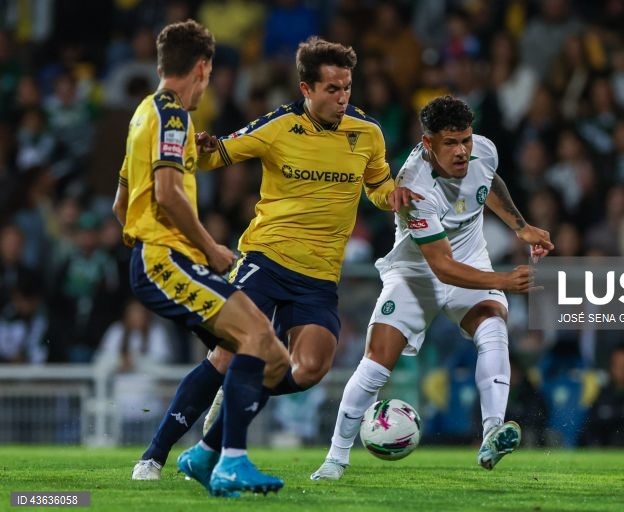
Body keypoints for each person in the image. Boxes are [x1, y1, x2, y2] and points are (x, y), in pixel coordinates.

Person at [133, 36, 419, 485]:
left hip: (319, 277)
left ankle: (209, 446)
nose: (343, 97)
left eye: (347, 87)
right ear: (306, 89)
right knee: (228, 357)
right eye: (332, 89)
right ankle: (154, 456)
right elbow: (219, 154)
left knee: (308, 369)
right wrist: (203, 148)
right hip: (265, 260)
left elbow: (378, 186)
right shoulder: (278, 126)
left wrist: (394, 197)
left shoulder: (367, 133)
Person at [311, 96, 554, 481]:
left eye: (465, 140)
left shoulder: (483, 150)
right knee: (376, 363)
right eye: (450, 143)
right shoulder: (414, 187)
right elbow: (441, 267)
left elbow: (488, 182)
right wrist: (503, 281)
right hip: (415, 273)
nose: (461, 151)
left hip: (470, 260)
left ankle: (492, 430)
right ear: (428, 144)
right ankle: (335, 459)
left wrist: (520, 226)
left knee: (493, 324)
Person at [113, 19, 290, 497]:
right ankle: (230, 461)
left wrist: (140, 234)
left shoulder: (142, 116)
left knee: (266, 353)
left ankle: (178, 456)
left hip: (158, 257)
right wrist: (209, 246)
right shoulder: (172, 115)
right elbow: (169, 194)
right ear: (202, 68)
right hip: (168, 258)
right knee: (257, 336)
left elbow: (120, 203)